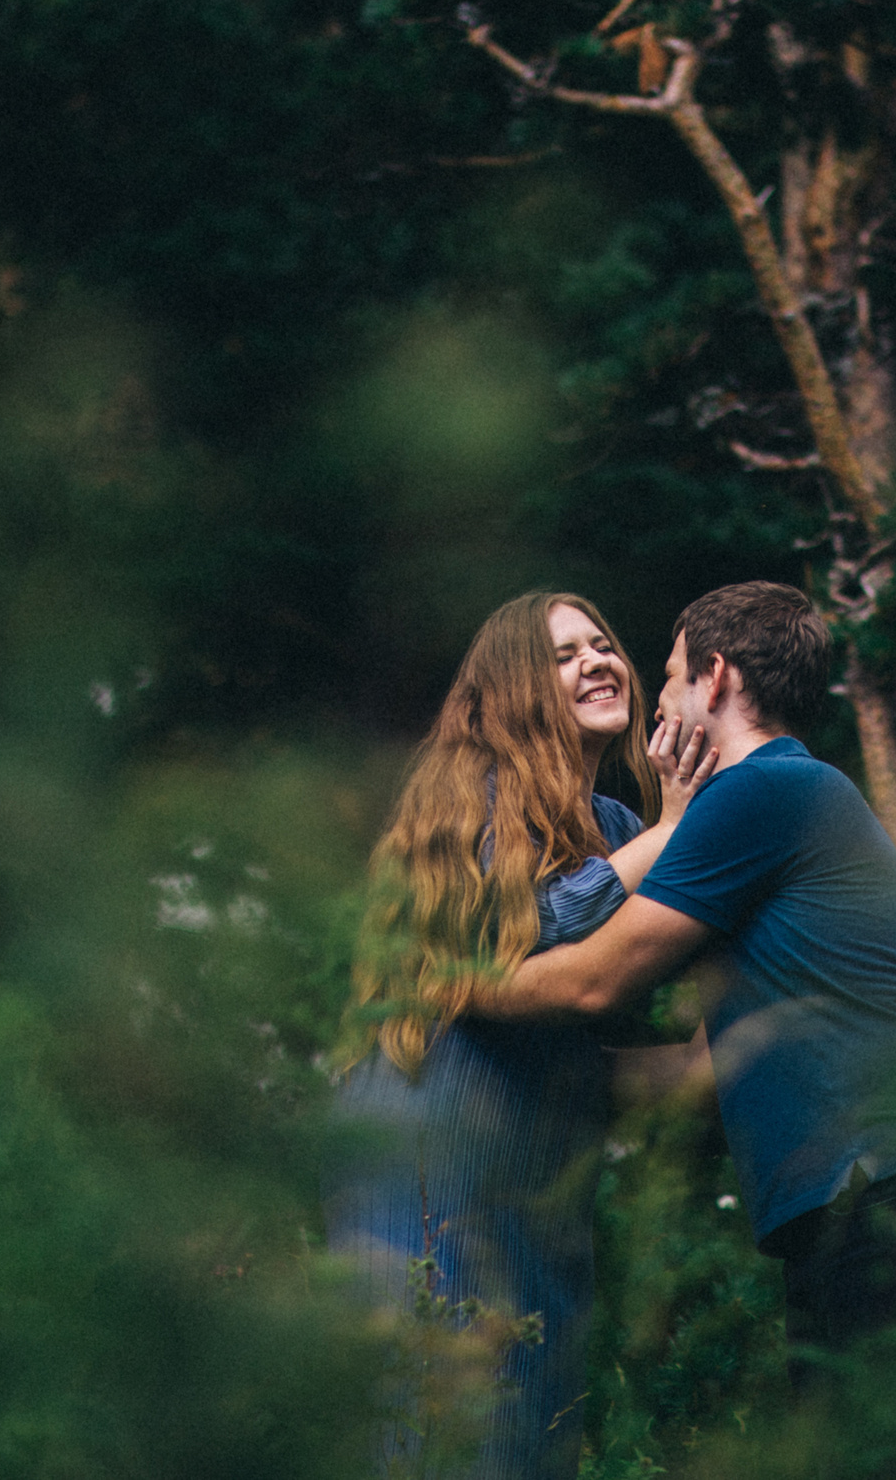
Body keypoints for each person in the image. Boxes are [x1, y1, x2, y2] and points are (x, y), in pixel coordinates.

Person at [473, 581, 896, 1391]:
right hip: (871, 1198)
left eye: (669, 676)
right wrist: (547, 1071)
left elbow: (593, 980)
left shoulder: (759, 791)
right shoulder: (783, 796)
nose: (657, 701)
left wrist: (458, 988)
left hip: (894, 1187)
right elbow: (704, 1069)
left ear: (716, 676)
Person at [329, 591, 716, 1479]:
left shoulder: (617, 826)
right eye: (563, 654)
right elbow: (516, 935)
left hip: (537, 1163)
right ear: (512, 690)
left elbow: (615, 983)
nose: (597, 661)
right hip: (430, 1143)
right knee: (435, 1416)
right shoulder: (471, 794)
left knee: (533, 1421)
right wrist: (671, 832)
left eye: (601, 643)